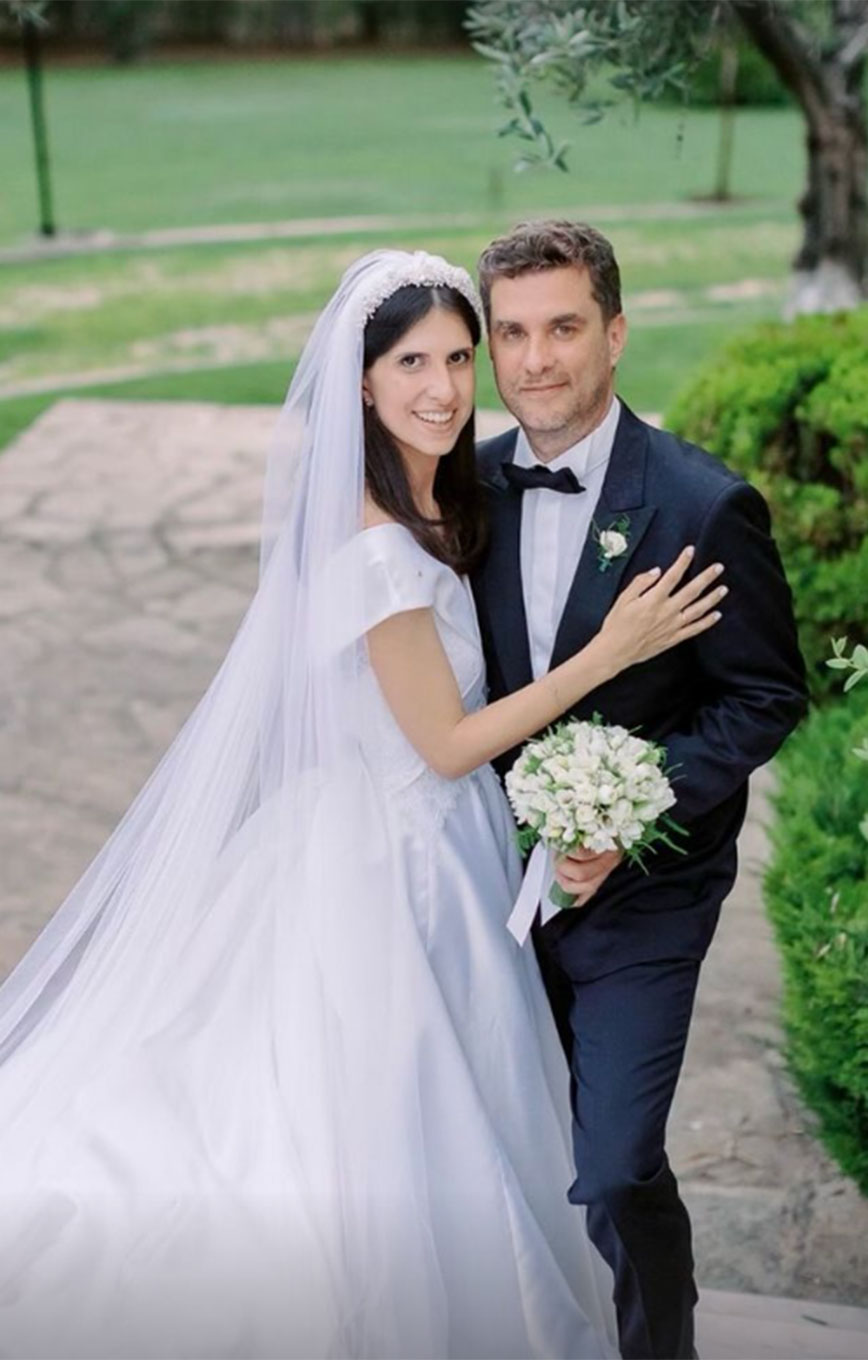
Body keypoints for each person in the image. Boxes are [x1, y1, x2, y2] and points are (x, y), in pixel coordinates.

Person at [0, 250, 724, 1360]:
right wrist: (612, 650)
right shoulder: (378, 544)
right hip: (393, 861)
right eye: (411, 364)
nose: (444, 387)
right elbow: (444, 744)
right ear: (363, 384)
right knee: (385, 1120)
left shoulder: (444, 499)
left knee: (456, 1114)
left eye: (458, 358)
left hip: (439, 841)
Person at [472, 220, 809, 1360]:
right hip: (484, 878)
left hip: (646, 894)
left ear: (614, 334)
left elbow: (763, 695)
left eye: (563, 328)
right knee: (493, 1141)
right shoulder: (466, 491)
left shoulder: (702, 506)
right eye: (512, 333)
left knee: (615, 1164)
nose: (536, 360)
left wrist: (632, 811)